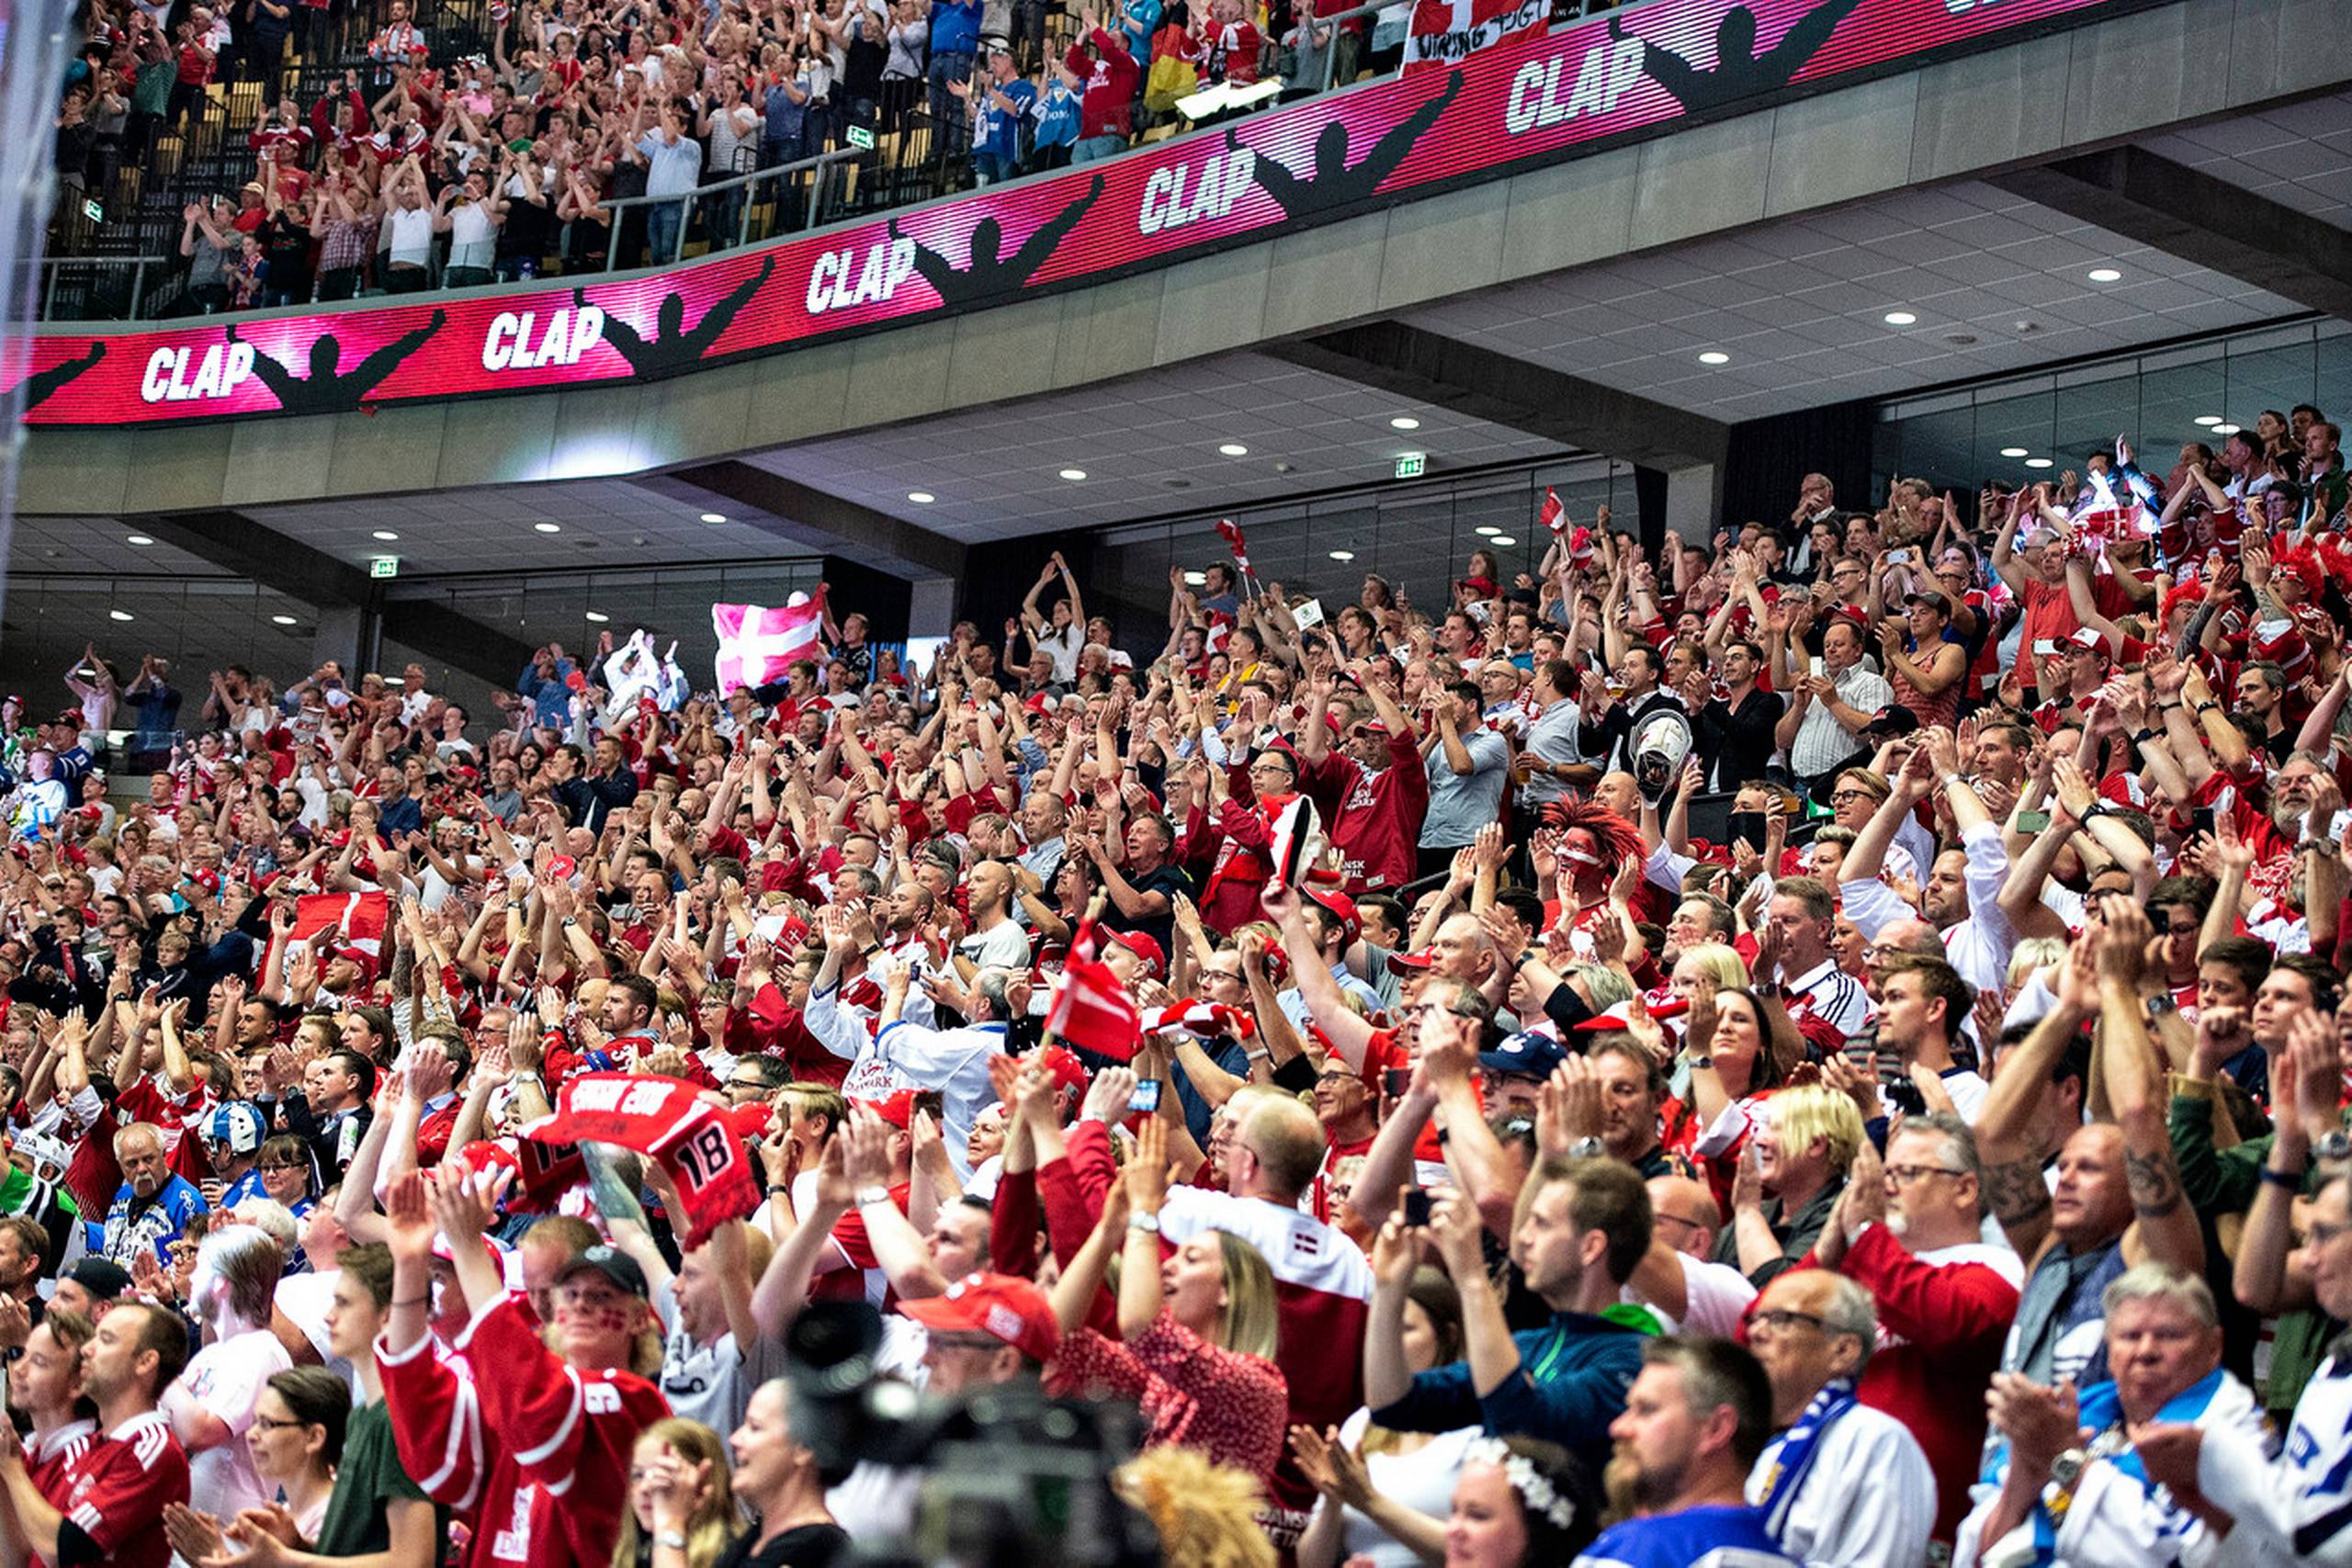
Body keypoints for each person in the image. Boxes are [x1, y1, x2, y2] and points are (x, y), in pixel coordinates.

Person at [378, 1168, 670, 1568]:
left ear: (640, 1319)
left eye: (602, 1295)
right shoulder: (518, 1393)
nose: (581, 1304)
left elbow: (535, 1412)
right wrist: (410, 1264)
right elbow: (421, 1418)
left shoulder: (636, 1403)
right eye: (570, 1293)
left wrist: (468, 1248)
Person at [1742, 1269, 1936, 1568]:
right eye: (1756, 1319)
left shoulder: (1876, 1440)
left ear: (1843, 1350)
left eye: (1781, 1319)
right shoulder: (1755, 1451)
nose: (1756, 1333)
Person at [1574, 1337, 1799, 1568]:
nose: (1618, 1427)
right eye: (1629, 1409)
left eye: (1646, 1410)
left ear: (1716, 1429)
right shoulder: (1785, 1563)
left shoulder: (1643, 1549)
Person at [0, 1299, 190, 1568]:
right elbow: (23, 1558)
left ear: (145, 1362)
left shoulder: (152, 1447)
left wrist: (12, 1470)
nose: (88, 1349)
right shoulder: (94, 1447)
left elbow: (63, 1548)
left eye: (106, 1339)